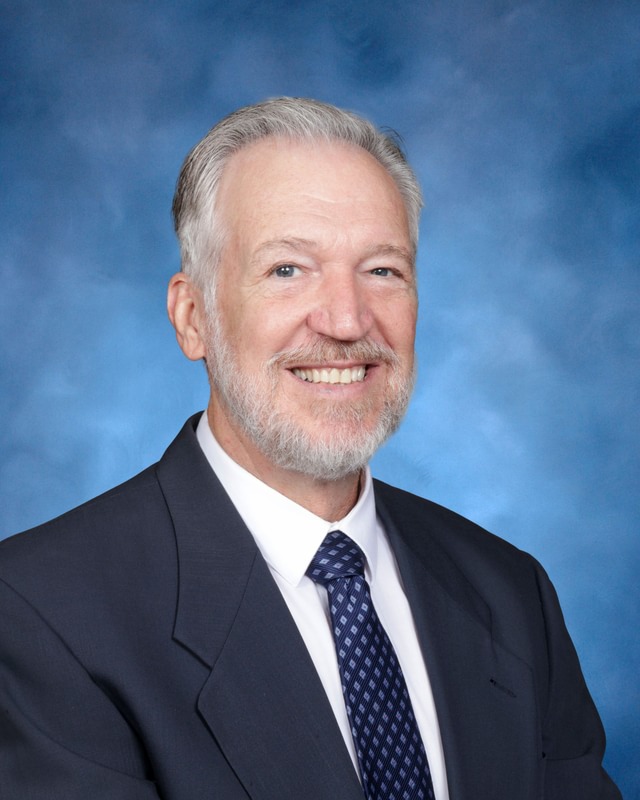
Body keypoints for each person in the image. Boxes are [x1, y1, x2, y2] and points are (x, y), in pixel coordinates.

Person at [0, 98, 620, 800]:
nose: (348, 320)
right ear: (193, 316)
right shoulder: (40, 613)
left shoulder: (510, 594)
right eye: (288, 269)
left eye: (383, 270)